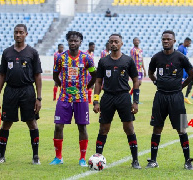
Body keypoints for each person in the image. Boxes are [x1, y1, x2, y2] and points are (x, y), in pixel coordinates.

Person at [146, 30, 193, 170]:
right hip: (160, 96)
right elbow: (150, 72)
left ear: (174, 41)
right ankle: (153, 160)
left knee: (181, 129)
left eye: (168, 39)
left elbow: (191, 75)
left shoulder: (180, 57)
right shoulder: (156, 57)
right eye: (164, 39)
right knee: (157, 128)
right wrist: (156, 82)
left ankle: (187, 161)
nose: (166, 41)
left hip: (176, 97)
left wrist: (181, 86)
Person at [93, 34, 141, 169]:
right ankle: (97, 159)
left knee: (129, 128)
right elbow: (98, 81)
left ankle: (135, 160)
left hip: (123, 97)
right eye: (111, 42)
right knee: (103, 129)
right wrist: (95, 101)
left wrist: (135, 101)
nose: (113, 44)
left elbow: (136, 80)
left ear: (121, 43)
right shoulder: (103, 61)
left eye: (116, 42)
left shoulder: (128, 60)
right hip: (107, 97)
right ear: (109, 44)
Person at [50, 31, 96, 166]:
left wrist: (86, 87)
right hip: (64, 97)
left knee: (82, 127)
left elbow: (94, 75)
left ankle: (82, 158)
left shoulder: (87, 58)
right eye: (71, 40)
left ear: (80, 42)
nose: (73, 43)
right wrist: (62, 86)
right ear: (68, 41)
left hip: (81, 98)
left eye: (76, 41)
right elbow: (55, 75)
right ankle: (58, 157)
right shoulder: (61, 58)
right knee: (58, 126)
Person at [0, 24, 42, 164]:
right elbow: (2, 75)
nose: (18, 35)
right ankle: (1, 155)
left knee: (31, 122)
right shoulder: (7, 53)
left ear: (26, 34)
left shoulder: (32, 53)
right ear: (13, 34)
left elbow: (37, 76)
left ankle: (35, 156)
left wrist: (39, 98)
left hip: (27, 91)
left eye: (21, 32)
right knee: (6, 123)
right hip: (10, 91)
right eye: (16, 32)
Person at [129, 37, 146, 102]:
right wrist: (133, 68)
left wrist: (144, 69)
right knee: (137, 83)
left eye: (137, 40)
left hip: (140, 69)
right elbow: (132, 59)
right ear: (133, 42)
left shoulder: (140, 50)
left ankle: (131, 95)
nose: (136, 41)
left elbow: (142, 59)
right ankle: (135, 99)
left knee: (139, 83)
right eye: (135, 40)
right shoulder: (133, 50)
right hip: (136, 69)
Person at [177, 37, 193, 104]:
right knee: (180, 83)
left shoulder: (185, 48)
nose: (189, 44)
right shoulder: (180, 48)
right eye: (189, 43)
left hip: (185, 69)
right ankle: (178, 97)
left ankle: (185, 97)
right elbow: (177, 58)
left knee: (190, 80)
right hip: (181, 69)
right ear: (186, 42)